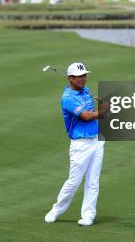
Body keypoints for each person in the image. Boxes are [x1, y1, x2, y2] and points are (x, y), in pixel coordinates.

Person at [45, 62, 107, 226]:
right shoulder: (67, 98)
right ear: (70, 78)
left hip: (97, 140)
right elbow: (86, 116)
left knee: (93, 181)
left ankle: (88, 216)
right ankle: (56, 210)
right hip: (81, 145)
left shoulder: (86, 91)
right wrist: (103, 112)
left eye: (84, 75)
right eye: (79, 76)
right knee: (74, 181)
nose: (83, 79)